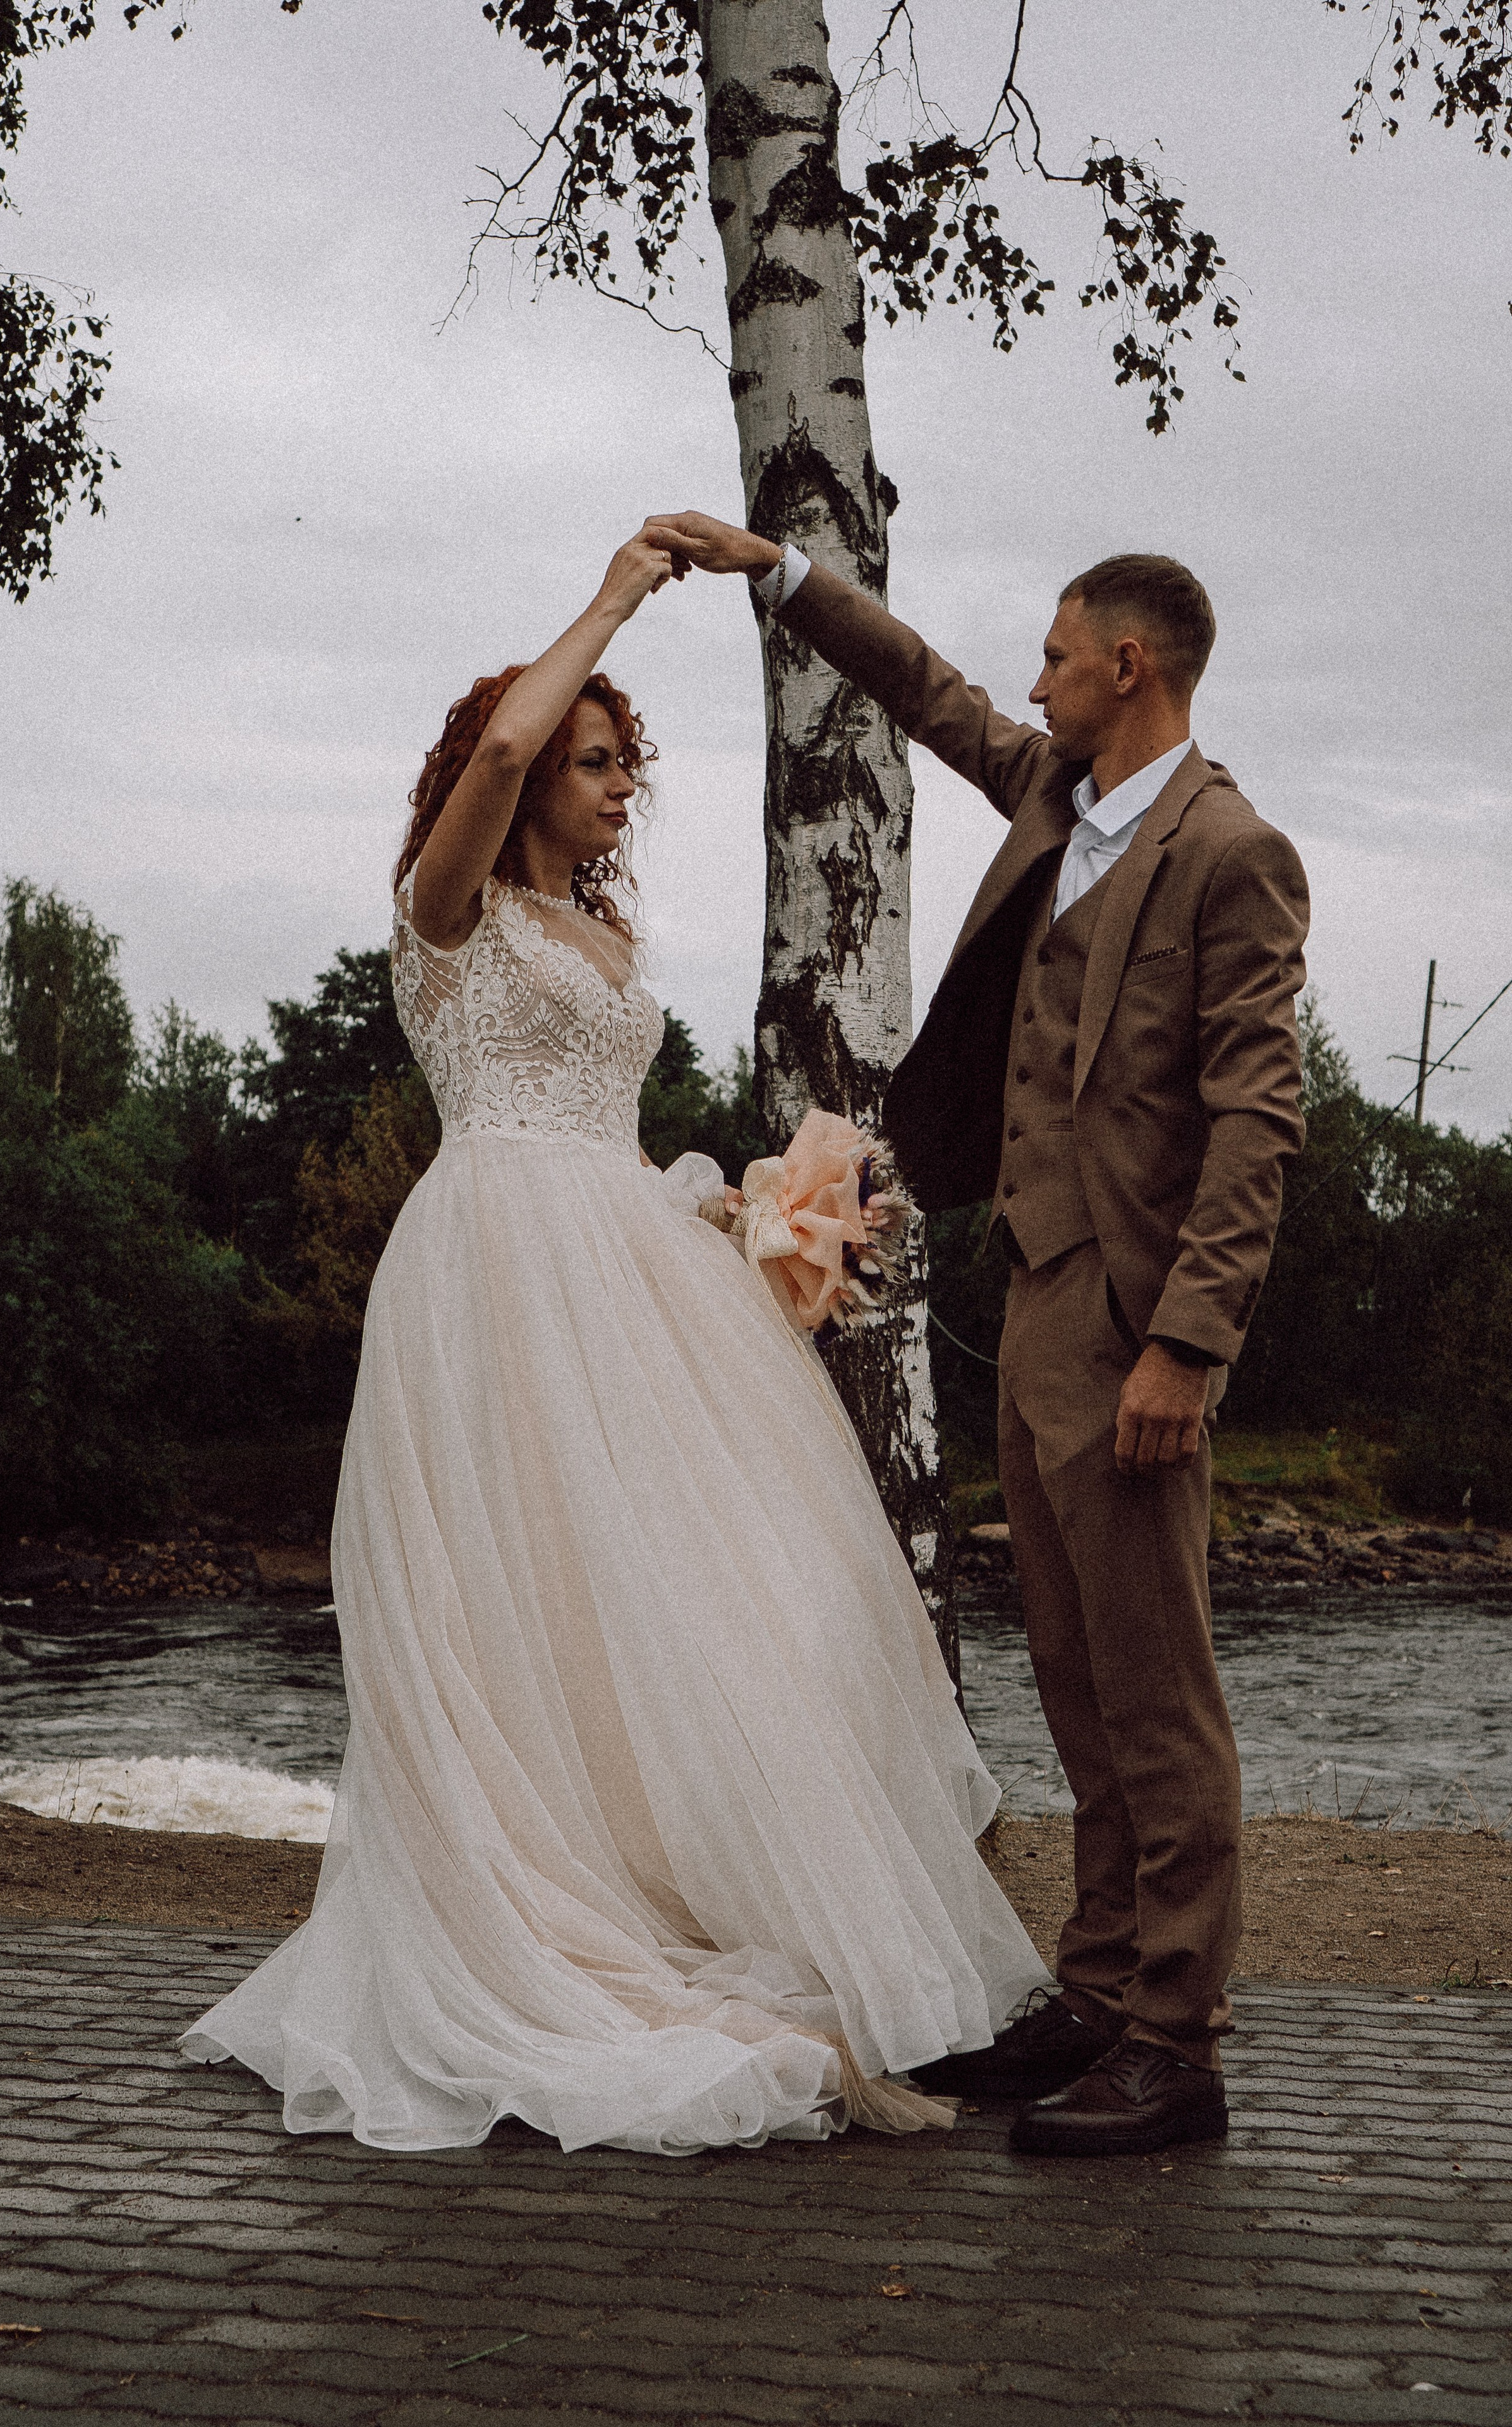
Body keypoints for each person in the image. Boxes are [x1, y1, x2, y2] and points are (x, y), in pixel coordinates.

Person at [183, 531, 1048, 2155]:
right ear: (508, 778)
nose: (609, 785)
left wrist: (739, 1223)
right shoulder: (443, 915)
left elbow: (611, 1119)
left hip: (625, 1263)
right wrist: (617, 594)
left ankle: (691, 1905)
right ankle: (569, 1951)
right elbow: (507, 737)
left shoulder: (609, 943)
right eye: (592, 761)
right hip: (496, 1268)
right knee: (511, 1600)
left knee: (685, 1600)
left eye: (618, 765)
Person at [641, 511, 1309, 2156]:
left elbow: (1257, 1123)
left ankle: (1179, 2042)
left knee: (1162, 1697)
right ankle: (1096, 1996)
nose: (1037, 679)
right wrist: (777, 574)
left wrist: (1188, 1348)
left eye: (1061, 656)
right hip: (1029, 1295)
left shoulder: (1231, 855)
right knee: (1078, 1681)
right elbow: (929, 691)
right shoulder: (1055, 797)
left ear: (1128, 668)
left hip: (1134, 1321)